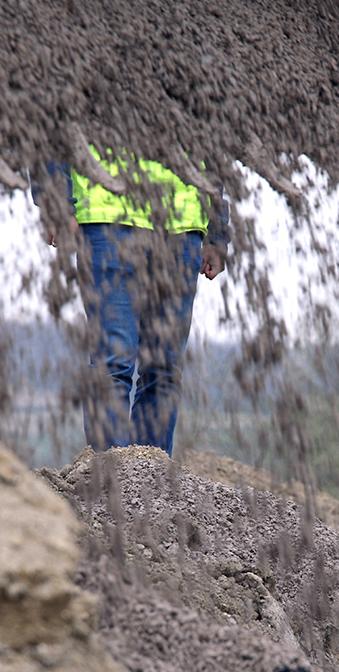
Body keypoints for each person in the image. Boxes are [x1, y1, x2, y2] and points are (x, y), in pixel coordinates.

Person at [48, 147, 229, 455]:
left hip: (182, 225)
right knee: (113, 360)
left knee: (165, 368)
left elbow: (213, 134)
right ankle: (111, 483)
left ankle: (151, 484)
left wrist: (218, 231)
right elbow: (53, 122)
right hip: (106, 216)